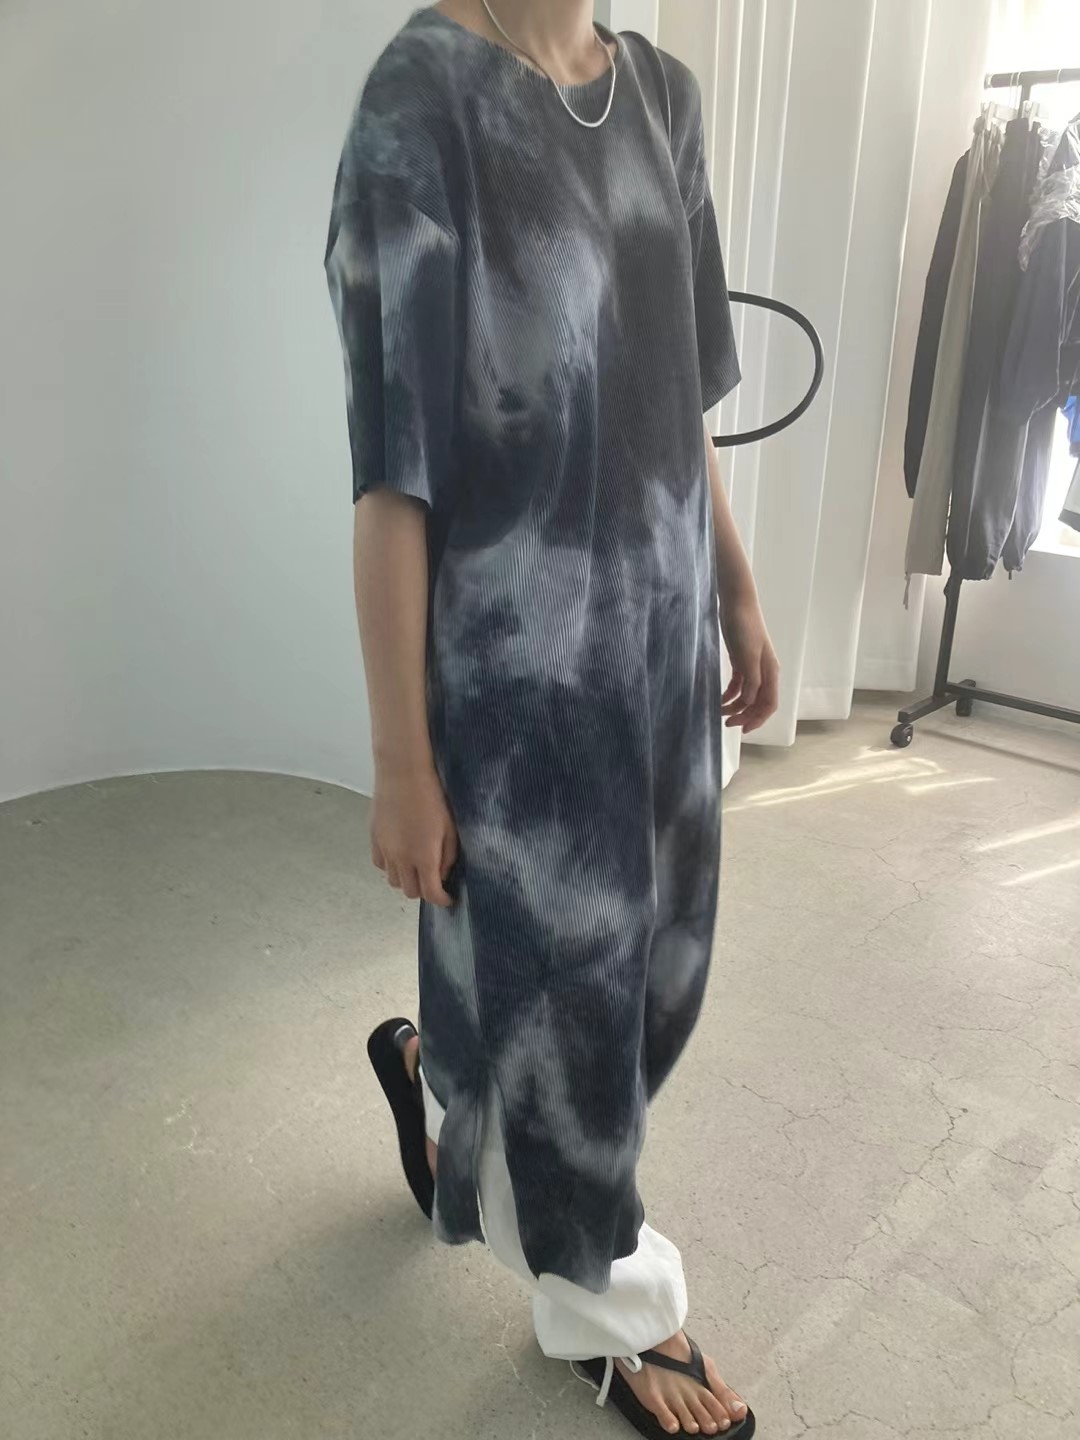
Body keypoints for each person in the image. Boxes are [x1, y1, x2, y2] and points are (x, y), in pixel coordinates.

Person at [325, 3, 779, 1436]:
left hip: (658, 647)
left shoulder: (665, 98)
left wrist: (738, 591)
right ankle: (615, 1311)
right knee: (571, 1012)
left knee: (645, 978)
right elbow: (393, 469)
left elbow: (681, 395)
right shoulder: (420, 105)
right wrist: (402, 759)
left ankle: (438, 1077)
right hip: (516, 685)